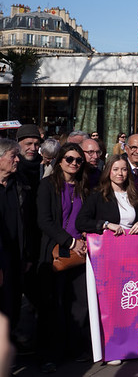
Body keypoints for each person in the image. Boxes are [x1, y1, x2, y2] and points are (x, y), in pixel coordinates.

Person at [36, 143, 91, 371]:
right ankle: (51, 354)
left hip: (81, 253)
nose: (74, 163)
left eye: (79, 160)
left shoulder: (85, 186)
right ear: (59, 161)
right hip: (57, 251)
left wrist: (86, 235)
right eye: (69, 159)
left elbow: (88, 216)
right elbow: (44, 221)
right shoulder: (47, 186)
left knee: (79, 304)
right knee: (55, 304)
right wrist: (70, 241)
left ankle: (75, 348)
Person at [0, 139, 35, 334]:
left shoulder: (19, 185)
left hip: (15, 256)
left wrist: (27, 254)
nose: (17, 161)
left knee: (12, 305)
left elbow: (27, 222)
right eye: (13, 156)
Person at [76, 154, 138, 236]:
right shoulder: (97, 195)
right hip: (108, 243)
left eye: (124, 169)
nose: (120, 173)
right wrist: (106, 224)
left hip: (130, 242)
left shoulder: (134, 194)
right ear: (108, 171)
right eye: (115, 169)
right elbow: (81, 222)